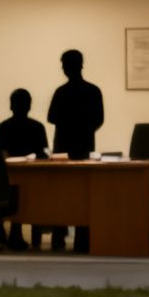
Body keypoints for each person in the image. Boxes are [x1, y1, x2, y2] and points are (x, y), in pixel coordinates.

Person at [46, 48, 104, 253]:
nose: (63, 68)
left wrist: (68, 123)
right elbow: (99, 120)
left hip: (63, 148)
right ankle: (82, 239)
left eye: (64, 64)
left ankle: (58, 237)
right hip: (84, 147)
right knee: (82, 194)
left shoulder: (61, 92)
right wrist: (83, 127)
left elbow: (52, 118)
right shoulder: (93, 91)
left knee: (61, 194)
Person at [0, 88, 49, 251]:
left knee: (9, 189)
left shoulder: (2, 128)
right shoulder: (37, 127)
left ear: (11, 106)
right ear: (29, 106)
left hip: (7, 177)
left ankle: (2, 228)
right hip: (33, 177)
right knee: (28, 193)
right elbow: (44, 154)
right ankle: (32, 234)